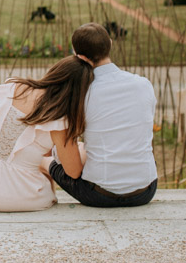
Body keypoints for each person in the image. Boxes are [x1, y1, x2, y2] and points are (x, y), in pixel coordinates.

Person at [0, 56, 93, 212]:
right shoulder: (60, 120)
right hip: (18, 196)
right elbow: (73, 172)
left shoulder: (13, 87)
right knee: (76, 153)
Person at [42, 22, 157, 208]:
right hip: (145, 191)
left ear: (78, 56)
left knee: (44, 159)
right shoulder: (144, 85)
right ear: (110, 44)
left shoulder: (81, 94)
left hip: (100, 194)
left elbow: (72, 170)